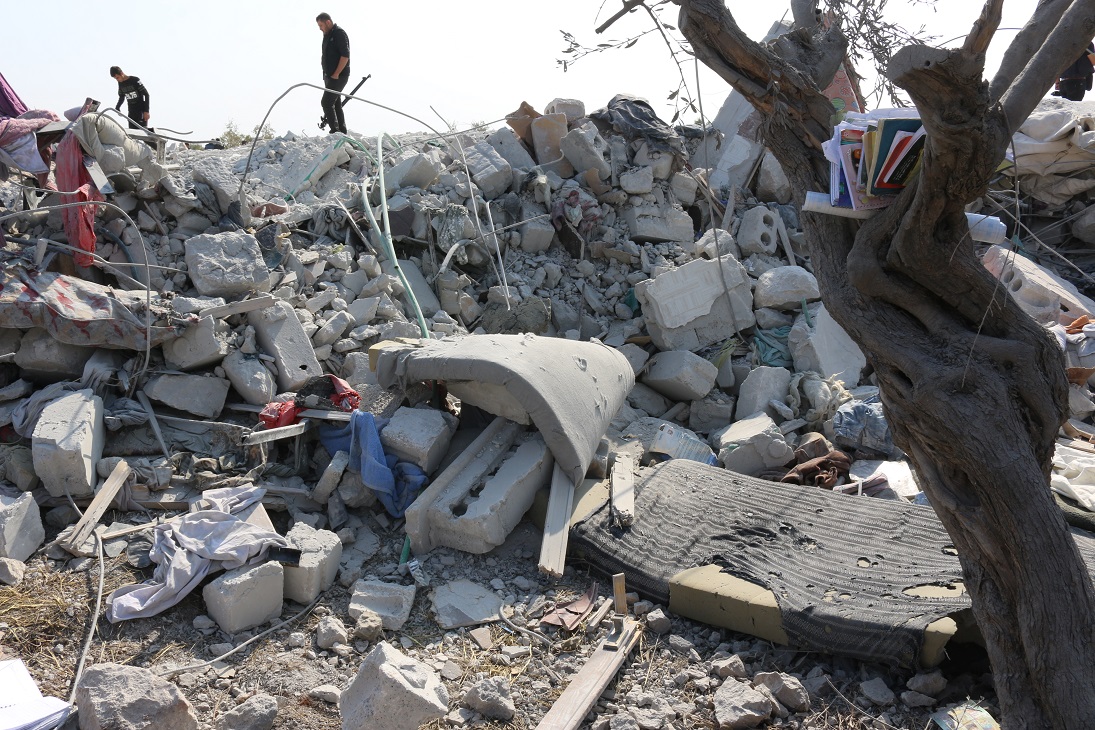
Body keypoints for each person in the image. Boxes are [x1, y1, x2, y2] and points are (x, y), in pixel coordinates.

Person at [316, 12, 350, 134]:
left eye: (321, 25)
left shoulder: (339, 33)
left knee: (326, 102)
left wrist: (336, 73)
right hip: (329, 76)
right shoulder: (326, 35)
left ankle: (335, 131)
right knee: (336, 103)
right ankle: (342, 131)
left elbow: (345, 56)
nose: (320, 28)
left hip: (339, 76)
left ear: (328, 22)